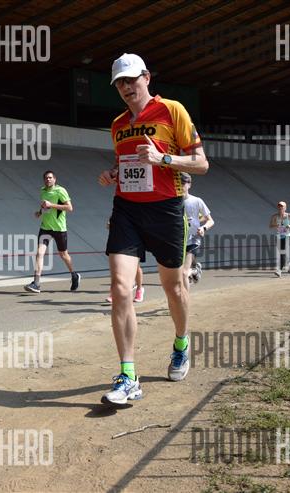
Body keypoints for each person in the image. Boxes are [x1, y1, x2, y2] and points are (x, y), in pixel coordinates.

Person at [98, 53, 209, 405]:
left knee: (173, 287)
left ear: (146, 77)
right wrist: (112, 173)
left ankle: (181, 344)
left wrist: (164, 158)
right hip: (127, 209)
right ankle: (128, 375)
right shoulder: (118, 125)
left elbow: (202, 163)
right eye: (120, 82)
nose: (126, 87)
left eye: (131, 79)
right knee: (120, 288)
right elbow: (125, 162)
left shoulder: (172, 110)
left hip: (166, 210)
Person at [24, 170, 81, 293]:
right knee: (39, 253)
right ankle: (36, 283)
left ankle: (74, 275)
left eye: (50, 177)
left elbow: (69, 208)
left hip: (59, 229)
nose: (48, 179)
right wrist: (40, 212)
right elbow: (45, 205)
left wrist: (52, 205)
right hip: (45, 228)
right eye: (46, 178)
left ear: (55, 179)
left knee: (63, 255)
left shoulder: (61, 191)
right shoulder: (43, 191)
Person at [181, 173, 214, 287]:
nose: (180, 186)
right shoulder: (172, 202)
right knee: (180, 273)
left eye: (183, 183)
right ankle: (195, 270)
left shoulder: (196, 201)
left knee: (184, 273)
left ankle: (193, 271)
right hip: (179, 240)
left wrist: (203, 228)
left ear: (189, 185)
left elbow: (210, 220)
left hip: (193, 239)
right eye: (178, 183)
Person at [269, 201, 290, 277]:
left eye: (282, 206)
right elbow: (270, 225)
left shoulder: (289, 215)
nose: (280, 208)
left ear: (285, 208)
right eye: (279, 206)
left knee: (282, 253)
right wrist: (275, 225)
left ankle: (279, 270)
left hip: (287, 236)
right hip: (279, 236)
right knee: (281, 253)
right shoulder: (275, 216)